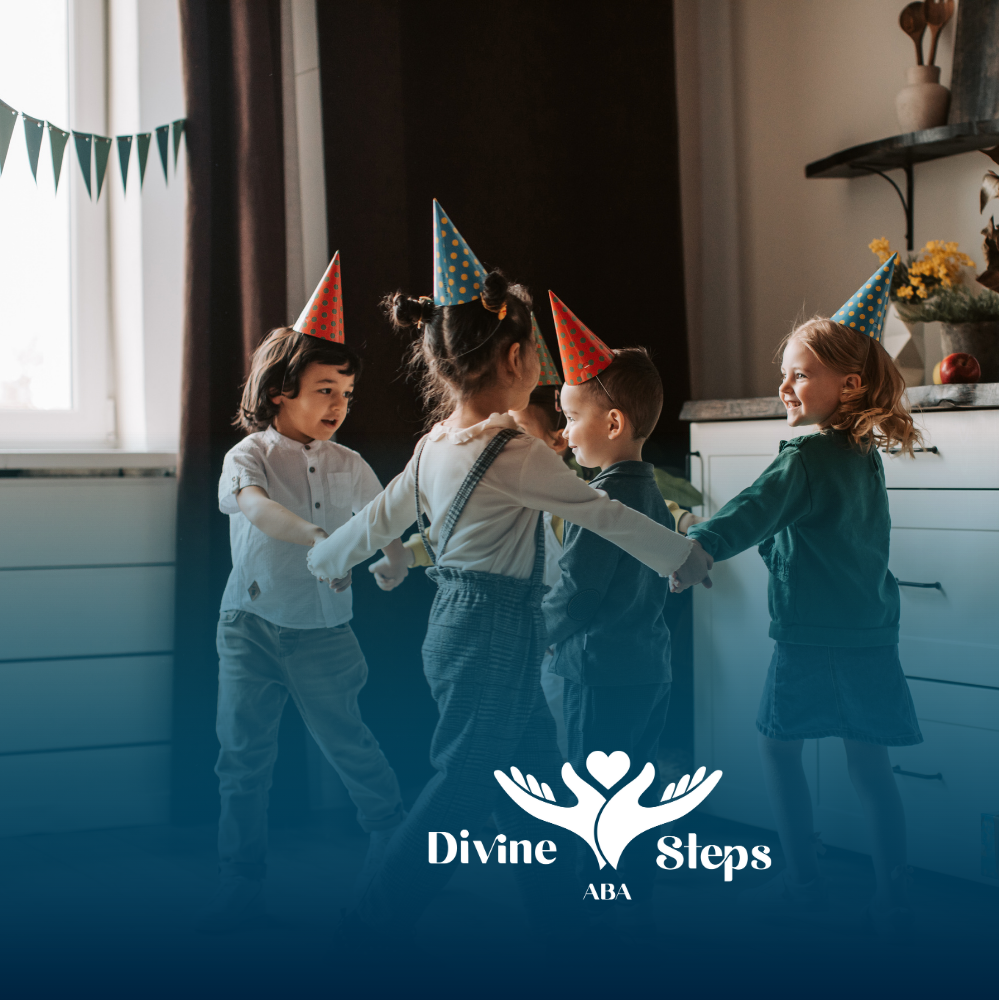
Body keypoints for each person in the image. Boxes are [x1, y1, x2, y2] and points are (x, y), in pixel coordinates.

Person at [306, 202, 712, 934]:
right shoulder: (515, 452)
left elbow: (380, 518)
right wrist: (682, 553)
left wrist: (326, 558)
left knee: (535, 784)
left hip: (457, 625)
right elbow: (604, 513)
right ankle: (372, 919)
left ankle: (562, 920)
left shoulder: (436, 441)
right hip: (495, 630)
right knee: (463, 784)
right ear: (519, 360)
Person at [684, 256, 924, 940]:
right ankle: (893, 896)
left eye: (799, 374)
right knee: (870, 766)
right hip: (871, 632)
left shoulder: (806, 457)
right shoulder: (863, 456)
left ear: (848, 385)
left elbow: (752, 510)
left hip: (810, 635)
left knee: (777, 750)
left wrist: (697, 545)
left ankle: (803, 884)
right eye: (785, 373)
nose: (784, 385)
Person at [197, 254, 407, 932]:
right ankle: (239, 880)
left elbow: (385, 517)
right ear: (279, 392)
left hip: (323, 629)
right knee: (242, 756)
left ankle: (390, 842)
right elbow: (255, 508)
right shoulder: (248, 457)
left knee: (350, 742)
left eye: (347, 392)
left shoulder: (352, 464)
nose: (339, 405)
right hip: (249, 625)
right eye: (324, 390)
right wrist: (317, 536)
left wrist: (394, 558)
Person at [542, 293, 678, 926]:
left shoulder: (600, 507)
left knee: (591, 800)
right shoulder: (651, 496)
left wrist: (534, 634)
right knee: (636, 794)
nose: (564, 433)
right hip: (648, 669)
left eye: (572, 417)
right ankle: (636, 902)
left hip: (595, 673)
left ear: (614, 422)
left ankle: (595, 913)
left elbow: (576, 592)